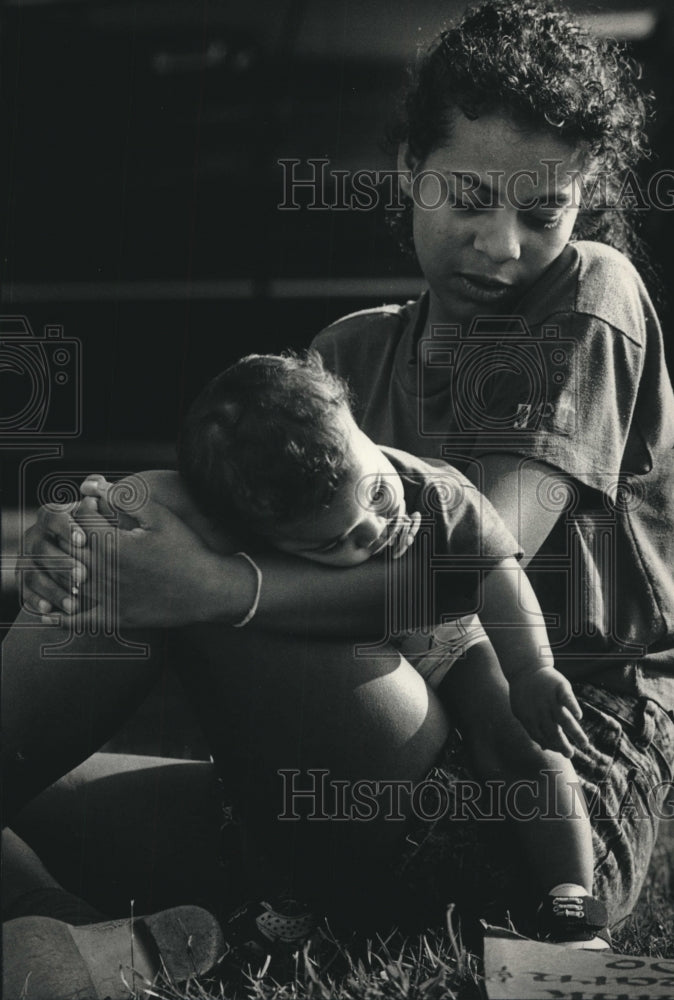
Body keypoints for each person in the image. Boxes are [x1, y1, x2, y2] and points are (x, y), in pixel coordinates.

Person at [5, 0, 674, 991]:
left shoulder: (593, 295)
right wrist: (75, 536)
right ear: (407, 165)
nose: (502, 243)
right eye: (469, 195)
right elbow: (190, 519)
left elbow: (465, 570)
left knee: (160, 517)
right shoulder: (348, 354)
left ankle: (556, 955)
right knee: (39, 781)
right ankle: (95, 946)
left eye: (545, 211)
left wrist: (215, 588)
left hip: (533, 779)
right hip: (333, 765)